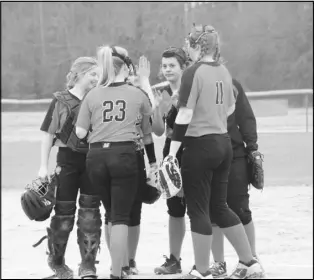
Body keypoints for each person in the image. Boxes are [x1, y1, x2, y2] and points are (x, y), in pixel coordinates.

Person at [166, 24, 264, 279]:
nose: (188, 47)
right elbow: (230, 110)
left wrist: (171, 153)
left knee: (199, 210)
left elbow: (185, 114)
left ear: (200, 46)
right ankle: (250, 261)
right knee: (219, 207)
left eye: (190, 43)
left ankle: (201, 271)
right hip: (224, 144)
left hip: (200, 145)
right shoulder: (223, 70)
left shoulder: (193, 72)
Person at [75, 46, 153, 279]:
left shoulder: (93, 94)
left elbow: (80, 133)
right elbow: (148, 123)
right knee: (121, 217)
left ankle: (115, 265)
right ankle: (119, 271)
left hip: (96, 157)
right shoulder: (136, 93)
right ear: (124, 69)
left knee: (109, 214)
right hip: (124, 155)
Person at [37, 57, 102, 279]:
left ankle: (88, 265)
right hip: (66, 160)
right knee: (63, 214)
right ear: (79, 74)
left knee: (90, 214)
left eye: (98, 74)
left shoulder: (98, 98)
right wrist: (43, 167)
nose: (96, 78)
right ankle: (58, 264)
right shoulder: (61, 101)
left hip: (92, 160)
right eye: (92, 74)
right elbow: (48, 135)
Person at [209, 78, 265, 278]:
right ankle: (218, 263)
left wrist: (252, 148)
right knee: (211, 210)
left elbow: (246, 118)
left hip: (235, 153)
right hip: (207, 153)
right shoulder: (193, 83)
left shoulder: (231, 84)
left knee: (240, 207)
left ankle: (251, 259)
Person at [150, 47, 190, 275]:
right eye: (164, 66)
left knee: (199, 206)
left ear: (183, 67)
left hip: (193, 149)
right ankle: (174, 259)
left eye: (172, 65)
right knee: (175, 208)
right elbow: (157, 131)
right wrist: (157, 109)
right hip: (170, 151)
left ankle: (207, 260)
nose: (167, 70)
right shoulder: (163, 92)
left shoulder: (192, 89)